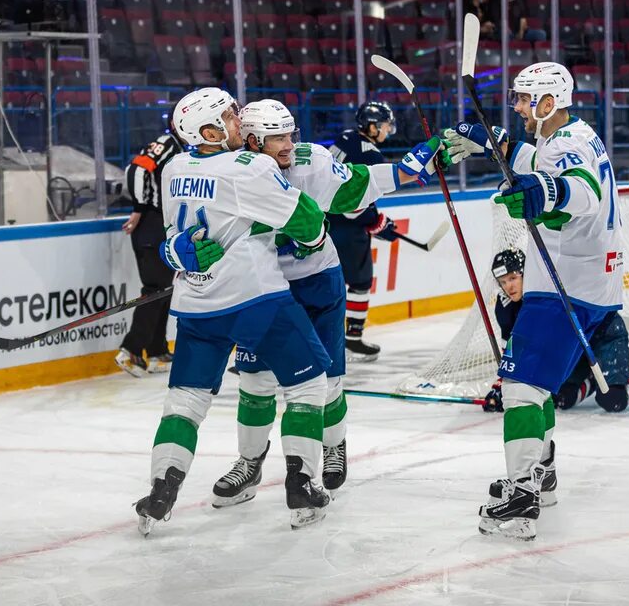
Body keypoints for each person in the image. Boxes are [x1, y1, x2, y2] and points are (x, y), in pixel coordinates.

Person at [210, 99, 444, 507]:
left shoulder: (312, 161)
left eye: (290, 134)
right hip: (262, 289)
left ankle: (334, 445)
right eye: (275, 137)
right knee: (256, 381)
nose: (287, 144)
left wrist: (419, 159)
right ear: (250, 140)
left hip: (317, 283)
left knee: (327, 380)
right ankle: (249, 462)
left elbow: (361, 183)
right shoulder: (232, 172)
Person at [440, 62, 626, 540]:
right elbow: (541, 162)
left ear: (548, 103)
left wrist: (544, 194)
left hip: (568, 284)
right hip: (584, 279)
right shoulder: (572, 132)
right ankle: (541, 473)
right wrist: (495, 144)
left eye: (525, 100)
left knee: (520, 385)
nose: (518, 106)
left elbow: (578, 189)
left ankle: (521, 496)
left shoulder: (566, 146)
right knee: (536, 383)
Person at [135, 88, 333, 535]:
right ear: (208, 130)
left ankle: (160, 492)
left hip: (196, 307)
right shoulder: (252, 166)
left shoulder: (173, 168)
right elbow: (305, 222)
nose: (238, 120)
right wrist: (313, 237)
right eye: (228, 116)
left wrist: (177, 253)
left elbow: (174, 240)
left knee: (184, 402)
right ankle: (301, 485)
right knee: (307, 386)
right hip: (257, 300)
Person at [479, 247, 629, 422]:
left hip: (603, 332)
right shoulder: (506, 309)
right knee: (561, 398)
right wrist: (503, 387)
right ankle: (591, 377)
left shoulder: (546, 290)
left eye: (513, 278)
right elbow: (514, 350)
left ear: (527, 272)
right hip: (574, 343)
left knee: (613, 400)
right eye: (503, 281)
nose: (509, 286)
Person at [328, 102, 403, 360]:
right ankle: (352, 338)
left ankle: (326, 338)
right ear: (372, 126)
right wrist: (377, 221)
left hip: (322, 224)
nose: (388, 130)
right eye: (385, 126)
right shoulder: (370, 154)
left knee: (325, 282)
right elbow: (353, 205)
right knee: (359, 283)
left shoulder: (344, 138)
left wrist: (375, 219)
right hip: (347, 230)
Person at [118, 125, 184, 376]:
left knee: (164, 291)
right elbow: (137, 168)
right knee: (155, 290)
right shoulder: (166, 142)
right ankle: (131, 350)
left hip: (159, 225)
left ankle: (156, 351)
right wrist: (138, 208)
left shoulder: (178, 148)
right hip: (151, 223)